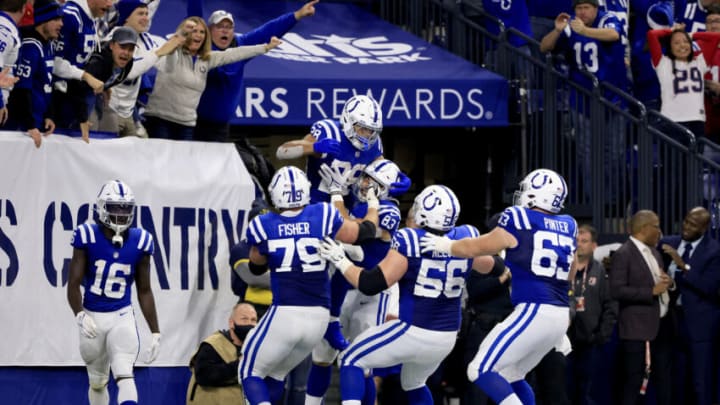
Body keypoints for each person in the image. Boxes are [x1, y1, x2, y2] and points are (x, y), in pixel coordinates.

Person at [318, 184, 497, 404]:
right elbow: (491, 265)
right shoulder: (465, 237)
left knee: (351, 359)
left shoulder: (410, 240)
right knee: (413, 383)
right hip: (447, 337)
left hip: (414, 330)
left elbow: (370, 283)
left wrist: (340, 260)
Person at [420, 168, 577, 405]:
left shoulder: (519, 218)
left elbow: (476, 248)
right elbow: (571, 270)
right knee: (511, 375)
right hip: (560, 313)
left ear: (539, 194)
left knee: (479, 369)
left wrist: (445, 245)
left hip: (535, 310)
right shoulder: (569, 224)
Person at [237, 165, 380, 405]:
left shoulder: (264, 224)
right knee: (275, 374)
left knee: (248, 372)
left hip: (286, 312)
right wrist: (374, 204)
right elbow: (365, 232)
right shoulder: (322, 215)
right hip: (318, 319)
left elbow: (256, 266)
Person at [305, 158, 403, 405]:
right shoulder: (361, 206)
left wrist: (336, 194)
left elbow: (354, 231)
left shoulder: (389, 211)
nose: (366, 183)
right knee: (322, 356)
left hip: (371, 294)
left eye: (373, 181)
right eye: (367, 177)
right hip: (345, 286)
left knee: (362, 361)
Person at [66, 179, 161, 405]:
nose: (121, 214)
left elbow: (145, 290)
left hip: (121, 315)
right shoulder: (86, 235)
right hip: (92, 316)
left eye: (125, 208)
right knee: (98, 381)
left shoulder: (141, 241)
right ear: (101, 207)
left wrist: (155, 331)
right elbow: (73, 284)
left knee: (124, 372)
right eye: (115, 207)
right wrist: (79, 314)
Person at [194, 0, 319, 142]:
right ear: (209, 30)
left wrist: (297, 15)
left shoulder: (241, 45)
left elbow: (268, 30)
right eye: (220, 26)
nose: (225, 30)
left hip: (221, 128)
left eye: (229, 27)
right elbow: (194, 18)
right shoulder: (202, 47)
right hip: (193, 124)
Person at [142, 17, 280, 140]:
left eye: (202, 32)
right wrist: (178, 37)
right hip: (160, 120)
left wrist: (265, 47)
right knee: (161, 166)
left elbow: (235, 54)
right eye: (194, 31)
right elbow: (169, 64)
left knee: (183, 167)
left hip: (186, 125)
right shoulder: (171, 52)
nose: (198, 35)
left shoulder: (206, 59)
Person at [275, 94, 411, 204]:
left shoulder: (374, 144)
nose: (367, 135)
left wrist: (395, 180)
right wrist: (314, 146)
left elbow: (380, 169)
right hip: (315, 202)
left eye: (371, 131)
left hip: (347, 204)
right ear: (348, 120)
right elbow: (281, 151)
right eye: (363, 128)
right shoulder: (329, 132)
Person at [608, 210, 673, 405]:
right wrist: (650, 292)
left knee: (662, 381)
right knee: (633, 383)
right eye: (657, 226)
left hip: (660, 327)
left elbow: (659, 283)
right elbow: (616, 290)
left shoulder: (654, 252)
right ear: (645, 228)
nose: (660, 232)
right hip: (636, 331)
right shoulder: (624, 253)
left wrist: (668, 283)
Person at [660, 207, 720, 405]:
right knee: (676, 381)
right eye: (686, 221)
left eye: (693, 225)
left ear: (704, 228)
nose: (686, 227)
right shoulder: (669, 243)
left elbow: (709, 287)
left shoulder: (714, 251)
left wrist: (683, 265)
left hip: (700, 329)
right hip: (672, 325)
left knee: (700, 382)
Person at [93, 0, 166, 137]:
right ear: (127, 17)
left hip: (129, 113)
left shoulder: (145, 39)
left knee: (138, 152)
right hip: (109, 110)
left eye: (146, 13)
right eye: (140, 13)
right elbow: (129, 72)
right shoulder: (113, 38)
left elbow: (167, 65)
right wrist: (159, 53)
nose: (146, 17)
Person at [566, 224, 618, 405]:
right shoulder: (563, 269)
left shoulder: (600, 271)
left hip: (591, 341)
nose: (579, 244)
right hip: (564, 342)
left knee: (588, 390)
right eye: (576, 241)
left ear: (594, 246)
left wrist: (602, 335)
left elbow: (610, 305)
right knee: (565, 389)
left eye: (584, 241)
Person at [648, 24, 720, 144]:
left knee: (694, 162)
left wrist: (691, 34)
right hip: (672, 122)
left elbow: (716, 37)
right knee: (673, 162)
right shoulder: (663, 63)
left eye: (686, 42)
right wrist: (671, 31)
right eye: (676, 43)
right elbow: (652, 35)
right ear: (669, 47)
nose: (682, 45)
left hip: (697, 122)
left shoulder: (700, 62)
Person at [6, 0, 63, 148]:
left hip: (37, 124)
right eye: (56, 19)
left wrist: (49, 114)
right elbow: (21, 88)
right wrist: (29, 124)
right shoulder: (30, 47)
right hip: (21, 127)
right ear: (43, 20)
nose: (61, 24)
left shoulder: (49, 44)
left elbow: (46, 84)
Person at [52, 0, 113, 137]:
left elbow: (82, 60)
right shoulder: (69, 16)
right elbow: (53, 62)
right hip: (56, 99)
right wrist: (86, 76)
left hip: (75, 95)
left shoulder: (91, 17)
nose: (110, 4)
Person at [186, 302, 258, 404]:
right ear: (231, 323)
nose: (249, 324)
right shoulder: (213, 345)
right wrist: (239, 365)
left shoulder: (256, 347)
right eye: (244, 319)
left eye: (253, 320)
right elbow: (203, 376)